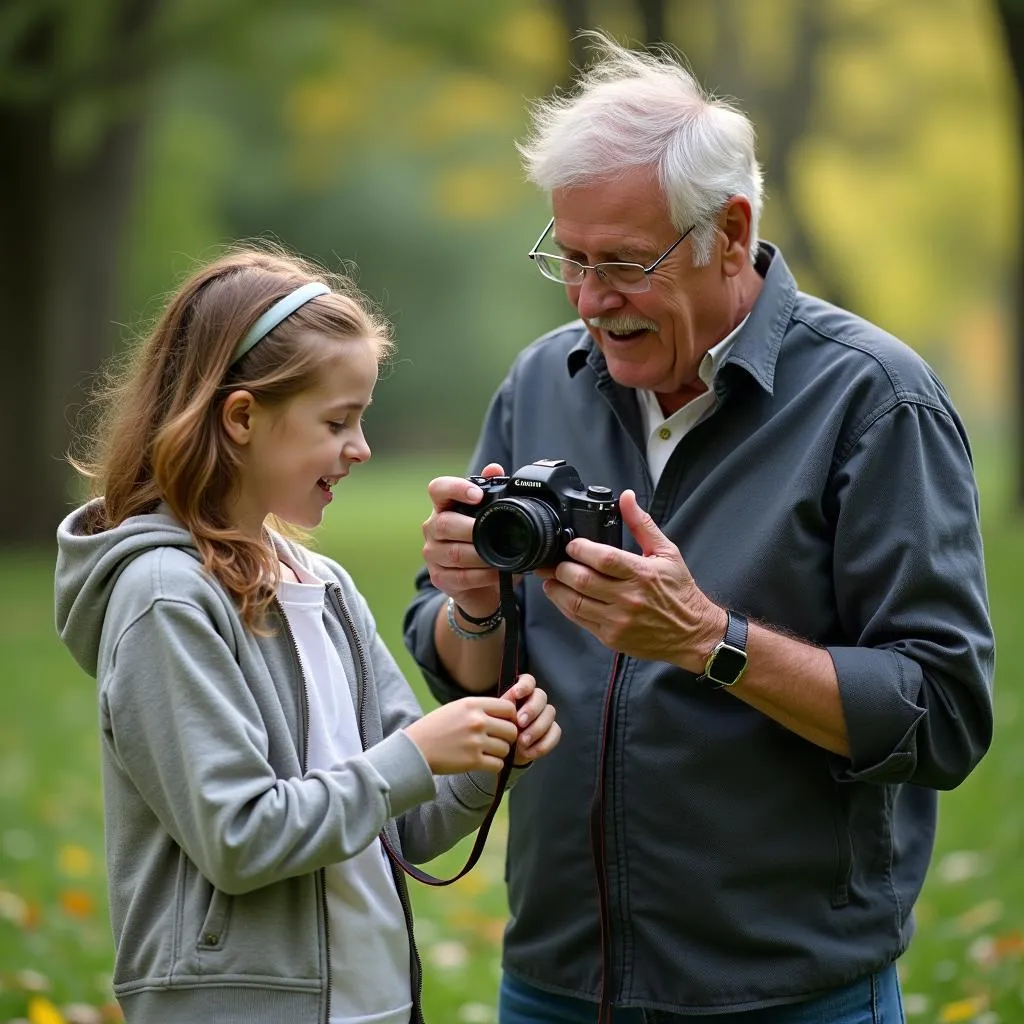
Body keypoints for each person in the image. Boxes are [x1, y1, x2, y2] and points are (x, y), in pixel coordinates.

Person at [403, 33, 995, 1024]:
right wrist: (469, 610)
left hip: (785, 993)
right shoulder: (538, 381)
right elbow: (472, 669)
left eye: (626, 264)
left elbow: (939, 711)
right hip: (552, 981)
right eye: (572, 260)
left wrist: (706, 642)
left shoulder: (876, 402)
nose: (591, 301)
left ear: (730, 229)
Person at [53, 245, 561, 1024]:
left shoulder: (322, 587)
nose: (360, 447)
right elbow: (239, 836)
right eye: (337, 421)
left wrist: (490, 759)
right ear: (243, 417)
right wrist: (417, 753)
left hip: (375, 1003)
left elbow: (402, 822)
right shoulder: (165, 598)